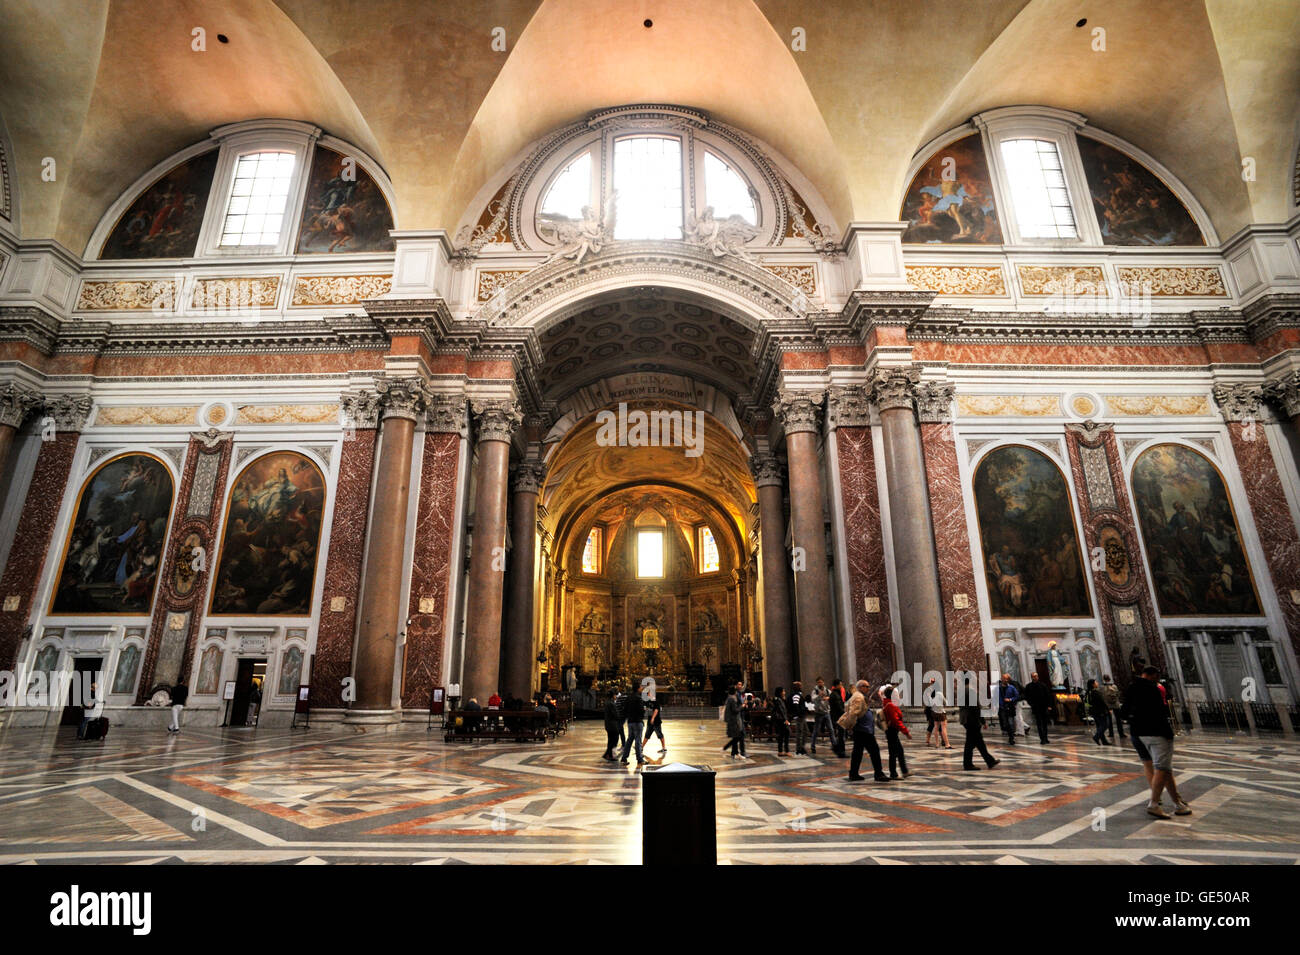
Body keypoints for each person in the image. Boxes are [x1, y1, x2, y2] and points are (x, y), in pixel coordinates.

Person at [1121, 665, 1191, 819]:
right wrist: (1168, 734)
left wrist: (1134, 720)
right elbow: (1160, 712)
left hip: (1136, 733)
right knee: (1162, 767)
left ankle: (1176, 802)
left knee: (1157, 767)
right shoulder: (1154, 689)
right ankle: (1153, 803)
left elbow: (1123, 712)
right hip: (1155, 733)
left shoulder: (1131, 687)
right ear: (1153, 675)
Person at [838, 679, 888, 782]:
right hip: (863, 730)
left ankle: (853, 773)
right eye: (866, 686)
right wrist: (850, 726)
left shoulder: (858, 696)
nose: (868, 688)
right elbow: (853, 713)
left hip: (862, 729)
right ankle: (878, 774)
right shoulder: (858, 697)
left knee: (857, 752)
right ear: (861, 687)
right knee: (874, 751)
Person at [960, 677, 999, 771]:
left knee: (978, 742)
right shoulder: (970, 691)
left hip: (966, 719)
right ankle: (968, 764)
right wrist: (983, 721)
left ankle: (989, 761)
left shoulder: (962, 690)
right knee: (971, 744)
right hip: (972, 720)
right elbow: (976, 708)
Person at [881, 685, 912, 778]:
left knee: (897, 751)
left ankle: (903, 771)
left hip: (892, 731)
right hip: (892, 731)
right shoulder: (890, 705)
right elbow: (895, 721)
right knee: (894, 752)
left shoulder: (889, 703)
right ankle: (894, 773)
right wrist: (906, 732)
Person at [1020, 671, 1053, 744]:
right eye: (1033, 676)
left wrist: (1049, 705)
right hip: (1036, 707)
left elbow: (1048, 695)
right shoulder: (1029, 686)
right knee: (1039, 723)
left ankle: (1046, 737)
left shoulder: (1043, 685)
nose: (1035, 677)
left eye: (1036, 676)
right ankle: (1042, 738)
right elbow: (1027, 696)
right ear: (1031, 677)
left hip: (1044, 706)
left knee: (1044, 723)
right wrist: (1031, 704)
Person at [621, 687, 646, 766]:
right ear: (638, 688)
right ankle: (640, 760)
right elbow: (641, 710)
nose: (641, 689)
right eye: (640, 687)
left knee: (629, 740)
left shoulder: (628, 698)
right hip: (637, 722)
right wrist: (643, 713)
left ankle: (624, 758)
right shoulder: (639, 698)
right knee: (638, 741)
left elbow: (624, 709)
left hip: (630, 722)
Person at [722, 682, 748, 760]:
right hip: (734, 721)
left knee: (737, 737)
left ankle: (735, 753)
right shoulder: (732, 699)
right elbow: (735, 710)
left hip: (736, 720)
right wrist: (742, 706)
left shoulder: (732, 698)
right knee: (737, 737)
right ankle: (727, 749)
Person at [925, 677, 951, 749]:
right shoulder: (940, 693)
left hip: (934, 712)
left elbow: (930, 703)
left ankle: (937, 744)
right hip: (941, 713)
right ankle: (947, 744)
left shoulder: (930, 694)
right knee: (943, 728)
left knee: (935, 727)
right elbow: (946, 702)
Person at [1086, 678, 1112, 745]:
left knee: (1099, 726)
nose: (1097, 683)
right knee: (1105, 725)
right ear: (1093, 684)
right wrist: (1108, 709)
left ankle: (1104, 741)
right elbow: (1102, 702)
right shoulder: (1095, 692)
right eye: (1096, 682)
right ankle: (1096, 737)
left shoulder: (1088, 692)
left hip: (1094, 712)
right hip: (1100, 711)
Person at [997, 673, 1020, 746]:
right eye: (1004, 678)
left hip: (1010, 708)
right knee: (1005, 724)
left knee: (1011, 723)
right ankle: (1009, 734)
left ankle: (1011, 738)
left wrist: (1010, 699)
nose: (1005, 680)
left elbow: (1017, 696)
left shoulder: (1012, 687)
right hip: (1002, 708)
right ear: (1002, 679)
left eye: (1007, 679)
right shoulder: (998, 688)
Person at [1102, 675, 1125, 740]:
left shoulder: (1102, 687)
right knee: (1118, 719)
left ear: (1103, 679)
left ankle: (1111, 733)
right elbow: (1118, 694)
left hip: (1107, 705)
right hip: (1115, 704)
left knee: (1109, 720)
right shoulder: (1114, 686)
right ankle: (1121, 733)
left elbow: (1102, 696)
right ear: (1109, 679)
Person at [601, 691, 622, 761]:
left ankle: (609, 755)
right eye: (615, 695)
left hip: (608, 724)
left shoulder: (607, 702)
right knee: (614, 739)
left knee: (610, 740)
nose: (616, 696)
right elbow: (615, 714)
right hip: (612, 724)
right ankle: (608, 754)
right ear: (613, 696)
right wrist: (619, 716)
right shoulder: (611, 703)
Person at [829, 679, 847, 756]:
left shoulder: (835, 694)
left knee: (840, 734)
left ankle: (837, 748)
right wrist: (844, 714)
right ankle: (841, 751)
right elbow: (839, 707)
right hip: (838, 717)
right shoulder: (835, 695)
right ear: (837, 685)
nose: (841, 686)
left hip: (836, 717)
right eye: (840, 685)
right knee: (841, 735)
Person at [771, 686, 791, 756]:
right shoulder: (778, 700)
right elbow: (781, 710)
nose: (784, 693)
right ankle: (786, 751)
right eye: (783, 691)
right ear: (780, 692)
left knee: (782, 734)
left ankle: (781, 751)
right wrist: (785, 719)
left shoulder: (779, 699)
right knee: (787, 732)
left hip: (780, 719)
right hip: (781, 719)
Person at [790, 681, 809, 755]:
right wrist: (799, 713)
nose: (801, 687)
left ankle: (802, 747)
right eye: (800, 686)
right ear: (798, 687)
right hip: (800, 717)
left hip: (802, 716)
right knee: (800, 733)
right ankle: (799, 749)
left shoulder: (799, 694)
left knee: (805, 731)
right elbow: (795, 705)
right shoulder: (796, 695)